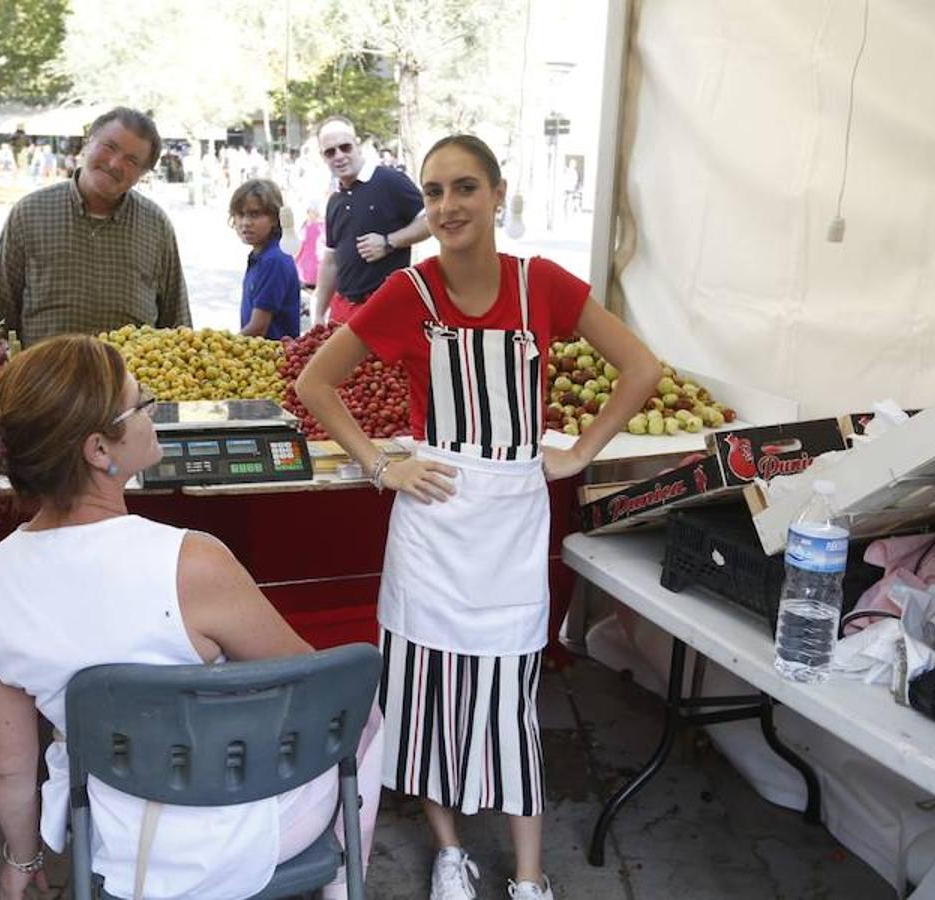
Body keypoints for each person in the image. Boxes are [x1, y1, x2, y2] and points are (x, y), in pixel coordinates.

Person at [295, 135, 659, 900]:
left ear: (498, 193)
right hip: (433, 521)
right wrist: (380, 462)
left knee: (509, 696)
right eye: (433, 192)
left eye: (464, 188)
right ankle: (450, 851)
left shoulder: (543, 287)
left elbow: (641, 368)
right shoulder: (408, 293)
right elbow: (317, 381)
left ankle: (530, 874)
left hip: (513, 525)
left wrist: (581, 450)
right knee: (424, 693)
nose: (448, 205)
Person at [0, 335, 383, 900]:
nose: (155, 405)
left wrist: (22, 859)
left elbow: (7, 766)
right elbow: (313, 685)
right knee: (366, 709)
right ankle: (344, 888)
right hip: (245, 833)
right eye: (142, 401)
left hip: (113, 843)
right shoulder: (190, 563)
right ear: (100, 450)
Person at [0, 107, 191, 347]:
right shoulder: (30, 212)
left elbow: (177, 323)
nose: (114, 163)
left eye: (132, 160)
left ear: (143, 173)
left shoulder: (156, 226)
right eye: (109, 147)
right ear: (88, 143)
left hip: (127, 382)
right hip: (44, 381)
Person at [313, 116, 430, 327]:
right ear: (323, 157)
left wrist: (389, 241)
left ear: (357, 145)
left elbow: (431, 220)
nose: (339, 156)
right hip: (342, 311)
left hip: (384, 309)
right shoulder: (334, 200)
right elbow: (330, 261)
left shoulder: (389, 180)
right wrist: (319, 314)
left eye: (345, 147)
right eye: (330, 152)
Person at [230, 179, 300, 340]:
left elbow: (258, 328)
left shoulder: (274, 260)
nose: (245, 223)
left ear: (275, 219)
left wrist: (223, 347)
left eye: (254, 214)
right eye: (240, 215)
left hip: (272, 357)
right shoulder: (259, 255)